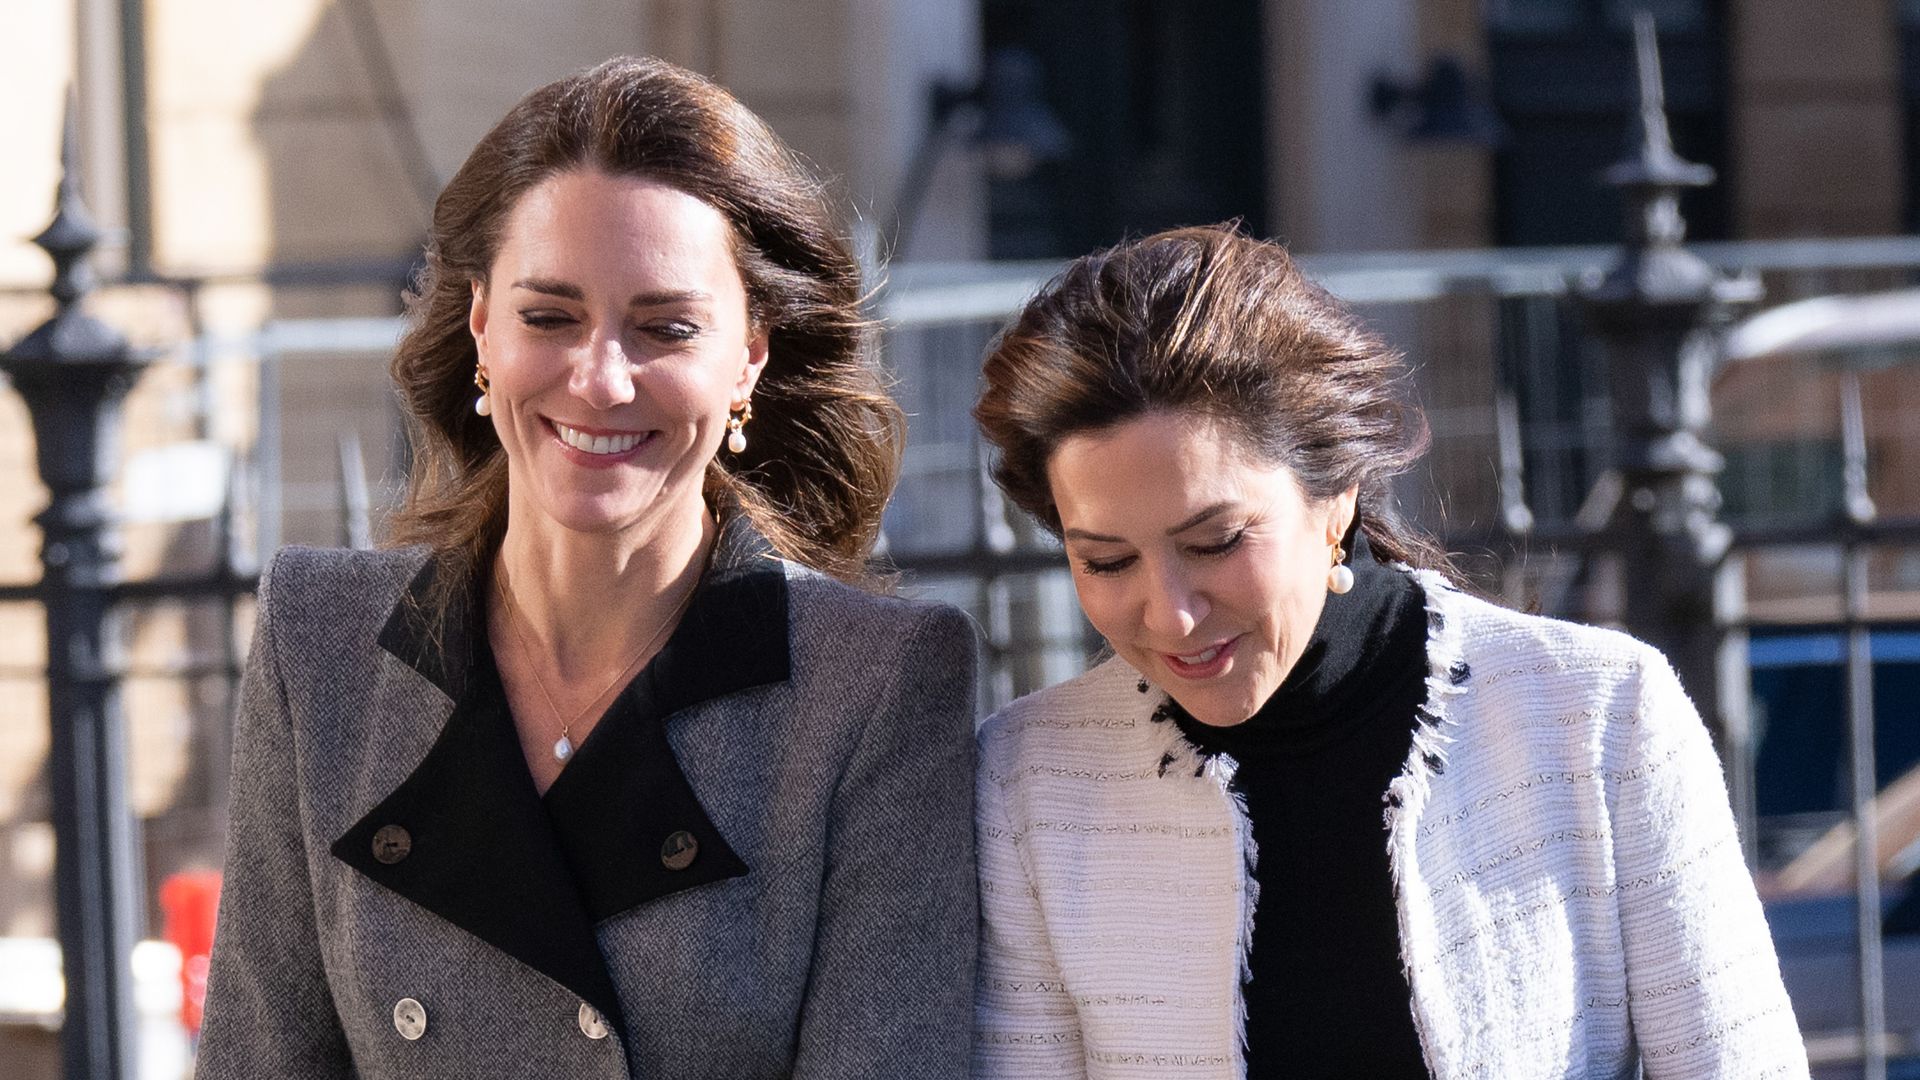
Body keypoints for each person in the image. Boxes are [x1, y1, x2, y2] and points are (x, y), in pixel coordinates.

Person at [198, 57, 977, 1080]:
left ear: (749, 354)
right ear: (482, 326)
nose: (599, 378)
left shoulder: (872, 687)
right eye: (549, 316)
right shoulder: (322, 641)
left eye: (665, 327)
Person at [969, 225, 1808, 1079]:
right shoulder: (1030, 779)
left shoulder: (1601, 717)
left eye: (1216, 542)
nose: (1173, 616)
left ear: (1336, 495)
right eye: (1106, 561)